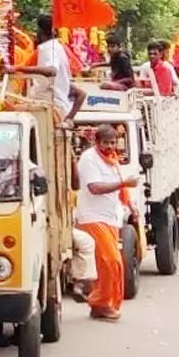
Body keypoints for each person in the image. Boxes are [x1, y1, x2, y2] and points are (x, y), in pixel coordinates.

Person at [75, 125, 136, 321]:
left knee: (108, 265)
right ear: (96, 142)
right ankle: (102, 303)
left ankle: (102, 305)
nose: (110, 147)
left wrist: (130, 203)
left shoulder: (112, 160)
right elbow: (94, 188)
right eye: (106, 143)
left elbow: (119, 189)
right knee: (111, 262)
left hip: (110, 218)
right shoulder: (89, 158)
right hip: (92, 218)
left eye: (113, 143)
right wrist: (124, 183)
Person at [19, 15, 86, 121]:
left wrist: (18, 68)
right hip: (51, 106)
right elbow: (81, 93)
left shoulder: (49, 48)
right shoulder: (57, 47)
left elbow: (51, 71)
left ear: (40, 31)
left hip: (49, 107)